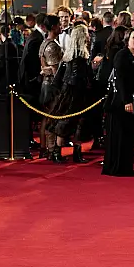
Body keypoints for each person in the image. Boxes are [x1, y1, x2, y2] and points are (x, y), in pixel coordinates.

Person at [103, 28, 134, 177]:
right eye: (133, 38)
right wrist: (127, 101)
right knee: (119, 135)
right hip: (120, 102)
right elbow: (120, 80)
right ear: (127, 40)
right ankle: (116, 167)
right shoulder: (121, 55)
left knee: (129, 136)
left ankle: (125, 167)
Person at [47, 24, 93, 164]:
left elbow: (58, 80)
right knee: (73, 124)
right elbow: (79, 80)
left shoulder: (68, 57)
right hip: (76, 95)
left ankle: (58, 152)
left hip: (67, 93)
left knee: (65, 123)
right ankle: (71, 154)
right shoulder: (80, 59)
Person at [38, 15, 64, 161]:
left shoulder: (44, 43)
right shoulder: (52, 45)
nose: (61, 27)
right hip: (51, 86)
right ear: (53, 27)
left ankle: (44, 148)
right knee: (52, 118)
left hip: (45, 84)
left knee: (46, 117)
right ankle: (51, 149)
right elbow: (55, 71)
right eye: (59, 25)